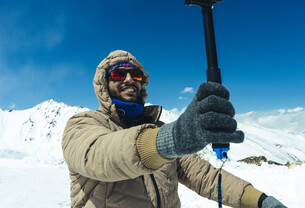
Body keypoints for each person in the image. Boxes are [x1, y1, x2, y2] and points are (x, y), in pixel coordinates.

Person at [62, 50, 286, 208]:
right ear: (104, 84)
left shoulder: (157, 129)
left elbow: (204, 176)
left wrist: (259, 200)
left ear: (142, 84)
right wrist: (167, 140)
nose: (129, 79)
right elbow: (100, 156)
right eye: (119, 75)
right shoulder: (83, 124)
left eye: (136, 75)